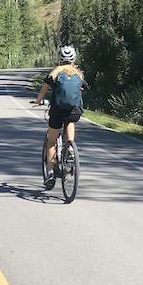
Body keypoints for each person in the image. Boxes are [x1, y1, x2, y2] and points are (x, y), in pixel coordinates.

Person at [32, 45, 86, 189]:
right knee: (70, 121)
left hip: (57, 110)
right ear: (74, 59)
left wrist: (38, 101)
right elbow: (83, 89)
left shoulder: (54, 74)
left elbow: (43, 91)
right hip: (75, 110)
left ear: (60, 59)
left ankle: (50, 172)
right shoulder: (79, 75)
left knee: (51, 141)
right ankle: (70, 148)